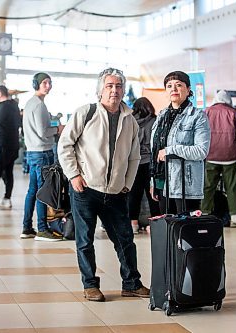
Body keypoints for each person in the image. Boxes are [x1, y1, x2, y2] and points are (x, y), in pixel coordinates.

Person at [58, 68, 149, 302]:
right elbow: (65, 146)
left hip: (117, 191)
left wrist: (127, 184)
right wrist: (74, 175)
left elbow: (134, 156)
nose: (114, 90)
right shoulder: (85, 113)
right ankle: (90, 285)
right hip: (85, 189)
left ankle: (131, 283)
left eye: (118, 86)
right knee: (85, 240)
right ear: (100, 90)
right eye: (109, 86)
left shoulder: (130, 120)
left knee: (125, 240)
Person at [150, 71, 211, 214]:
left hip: (185, 183)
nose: (174, 89)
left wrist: (171, 150)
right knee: (168, 230)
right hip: (162, 182)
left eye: (179, 85)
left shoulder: (197, 116)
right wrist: (153, 182)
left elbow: (201, 151)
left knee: (186, 231)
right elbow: (155, 151)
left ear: (188, 90)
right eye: (169, 86)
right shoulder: (161, 116)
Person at [21, 72, 64, 241]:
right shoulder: (38, 105)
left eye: (50, 82)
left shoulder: (31, 103)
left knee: (33, 190)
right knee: (42, 192)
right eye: (44, 82)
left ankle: (26, 227)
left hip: (33, 152)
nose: (48, 86)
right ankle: (42, 229)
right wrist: (58, 130)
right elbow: (43, 131)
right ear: (36, 84)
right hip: (41, 153)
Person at [201, 90, 236, 227]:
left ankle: (205, 213)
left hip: (211, 154)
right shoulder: (232, 112)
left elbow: (200, 132)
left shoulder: (207, 111)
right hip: (230, 156)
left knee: (208, 186)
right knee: (232, 186)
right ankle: (235, 217)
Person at [128, 97, 160, 234]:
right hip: (151, 162)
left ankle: (133, 224)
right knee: (153, 194)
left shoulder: (130, 121)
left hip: (134, 162)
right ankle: (154, 223)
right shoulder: (155, 120)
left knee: (134, 194)